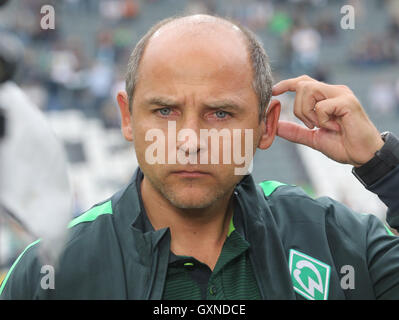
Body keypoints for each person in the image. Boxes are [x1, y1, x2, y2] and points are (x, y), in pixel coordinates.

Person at [1, 14, 399, 300]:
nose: (189, 140)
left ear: (266, 124)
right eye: (165, 111)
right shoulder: (49, 274)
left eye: (219, 113)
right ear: (127, 117)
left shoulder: (337, 240)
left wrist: (383, 166)